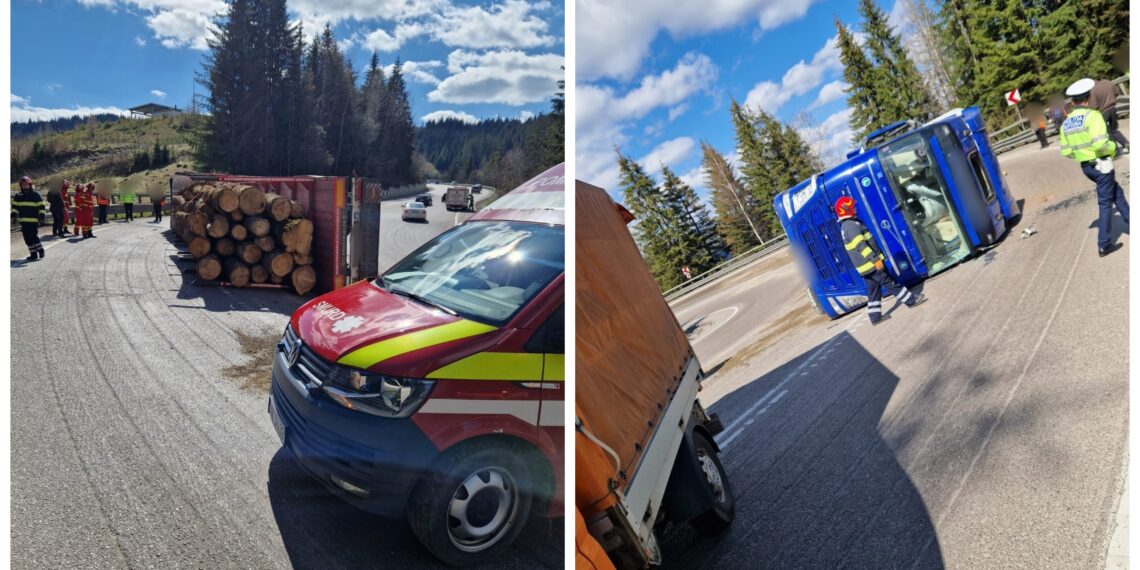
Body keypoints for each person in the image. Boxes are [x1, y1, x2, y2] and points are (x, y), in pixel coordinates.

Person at [1059, 78, 1130, 257]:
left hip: (1087, 167)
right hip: (1102, 163)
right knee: (1106, 202)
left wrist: (1083, 156)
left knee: (1116, 193)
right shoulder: (1093, 116)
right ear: (1089, 97)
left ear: (1073, 101)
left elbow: (1066, 151)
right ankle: (1104, 244)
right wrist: (1114, 148)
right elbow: (1101, 145)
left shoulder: (1066, 123)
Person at [836, 195, 925, 325]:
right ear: (845, 209)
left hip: (865, 267)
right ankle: (911, 301)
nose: (855, 208)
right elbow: (861, 245)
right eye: (852, 207)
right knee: (891, 283)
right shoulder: (851, 225)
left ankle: (875, 317)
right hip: (870, 265)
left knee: (873, 291)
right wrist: (874, 259)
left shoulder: (847, 225)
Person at [1089, 77, 1129, 155]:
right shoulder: (1107, 82)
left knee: (1107, 132)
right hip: (1113, 108)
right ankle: (1126, 143)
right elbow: (1116, 92)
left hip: (1104, 112)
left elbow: (1093, 106)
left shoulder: (1093, 91)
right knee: (1114, 129)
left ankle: (1115, 150)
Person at [12, 176, 46, 261]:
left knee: (33, 236)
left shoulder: (35, 195)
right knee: (27, 239)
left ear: (30, 185)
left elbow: (41, 206)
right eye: (23, 184)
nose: (24, 186)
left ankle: (41, 250)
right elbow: (14, 207)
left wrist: (41, 216)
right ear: (20, 185)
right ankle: (33, 254)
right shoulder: (18, 196)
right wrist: (13, 216)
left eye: (26, 184)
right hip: (23, 221)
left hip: (33, 221)